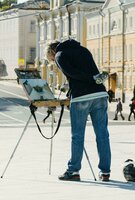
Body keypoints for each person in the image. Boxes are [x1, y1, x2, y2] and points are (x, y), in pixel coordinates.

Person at [46, 39, 111, 182]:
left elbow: (74, 74)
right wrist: (94, 79)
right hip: (100, 94)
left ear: (52, 52)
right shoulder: (84, 50)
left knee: (77, 135)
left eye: (50, 58)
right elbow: (86, 71)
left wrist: (89, 79)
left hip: (82, 96)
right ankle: (105, 172)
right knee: (102, 134)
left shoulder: (60, 55)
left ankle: (74, 170)